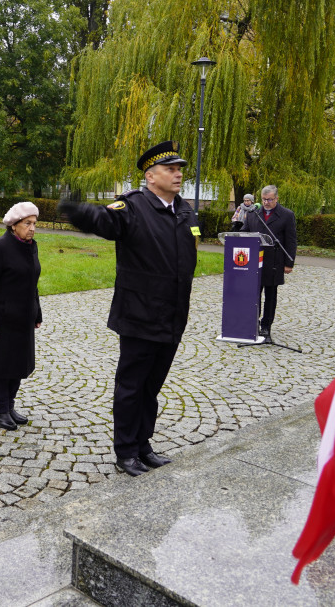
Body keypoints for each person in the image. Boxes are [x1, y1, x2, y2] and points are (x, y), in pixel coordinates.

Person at [59, 141, 197, 476]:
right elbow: (106, 222)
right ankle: (125, 452)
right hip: (139, 316)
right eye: (171, 169)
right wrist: (77, 210)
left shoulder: (186, 211)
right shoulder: (133, 208)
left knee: (152, 388)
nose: (178, 174)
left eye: (180, 169)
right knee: (132, 387)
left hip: (172, 316)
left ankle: (143, 445)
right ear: (151, 177)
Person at [0, 202, 43, 431]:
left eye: (35, 223)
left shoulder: (31, 247)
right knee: (1, 366)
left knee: (18, 364)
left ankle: (10, 406)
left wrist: (37, 312)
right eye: (28, 223)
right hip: (2, 319)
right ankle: (0, 410)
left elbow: (32, 283)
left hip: (23, 318)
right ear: (14, 225)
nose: (33, 228)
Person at [242, 185, 297, 338]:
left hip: (274, 262)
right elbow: (245, 233)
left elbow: (291, 241)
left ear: (276, 199)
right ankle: (253, 322)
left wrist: (289, 263)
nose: (266, 202)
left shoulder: (286, 215)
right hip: (254, 261)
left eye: (270, 199)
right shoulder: (253, 214)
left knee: (270, 296)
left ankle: (266, 325)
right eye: (264, 199)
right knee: (254, 295)